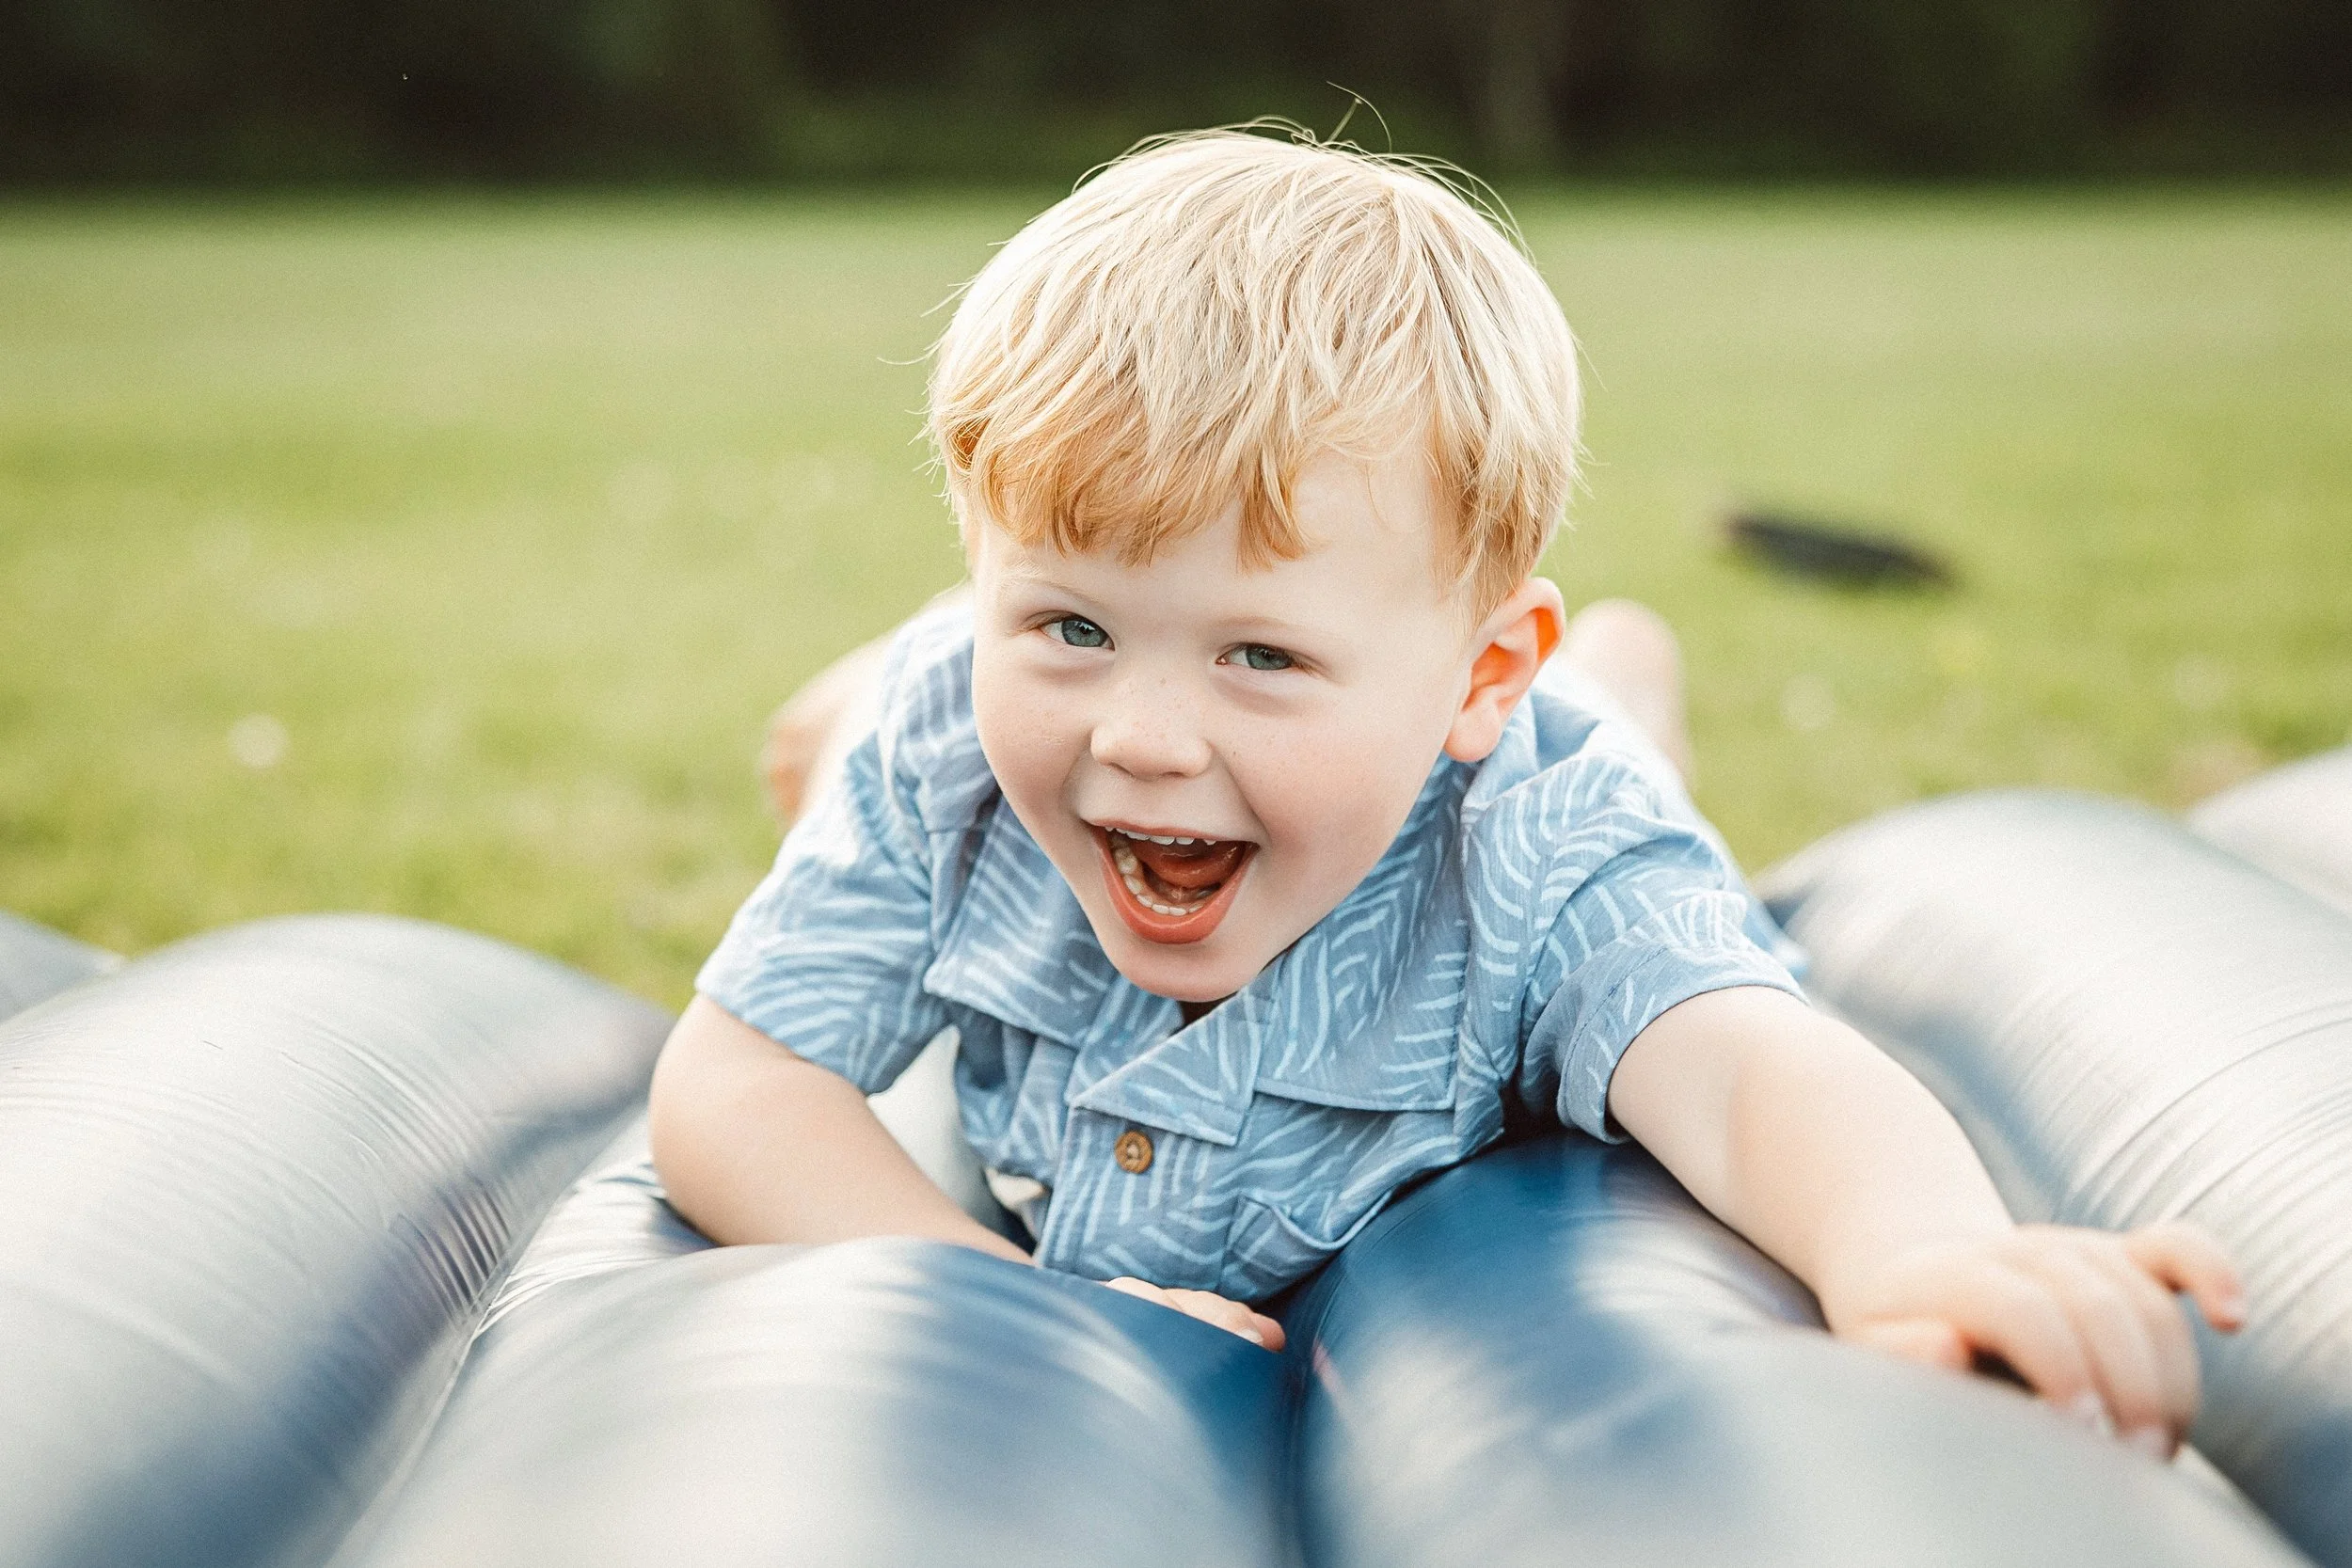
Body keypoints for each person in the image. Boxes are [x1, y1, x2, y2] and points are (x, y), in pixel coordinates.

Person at [648, 129, 2243, 1457]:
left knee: (1612, 781)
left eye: (1259, 655)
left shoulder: (1543, 840)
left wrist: (1926, 1251)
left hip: (1532, 780)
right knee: (905, 727)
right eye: (1068, 622)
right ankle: (895, 671)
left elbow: (1754, 1072)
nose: (1140, 735)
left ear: (1484, 675)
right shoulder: (954, 745)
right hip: (988, 712)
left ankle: (1617, 673)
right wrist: (986, 1284)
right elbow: (732, 1088)